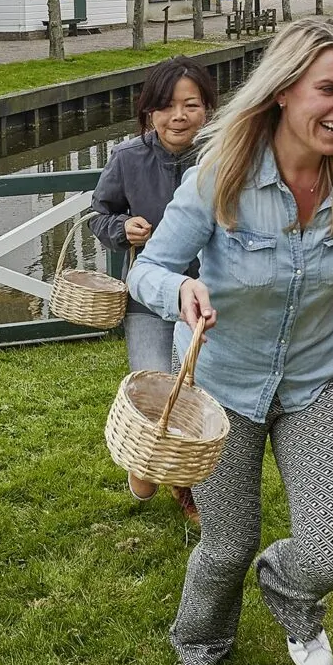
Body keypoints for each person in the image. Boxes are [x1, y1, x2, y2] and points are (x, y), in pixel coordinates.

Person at [128, 18, 333, 665]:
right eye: (329, 88)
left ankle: (289, 590)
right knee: (227, 544)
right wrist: (179, 288)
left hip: (317, 379)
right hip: (221, 385)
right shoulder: (220, 175)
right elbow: (144, 270)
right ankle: (199, 641)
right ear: (285, 91)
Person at [88, 54, 218, 520]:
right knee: (153, 387)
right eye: (165, 106)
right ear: (149, 111)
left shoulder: (223, 154)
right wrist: (123, 229)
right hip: (148, 297)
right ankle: (150, 457)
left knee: (196, 389)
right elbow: (97, 217)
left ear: (208, 108)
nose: (178, 116)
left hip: (207, 296)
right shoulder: (128, 157)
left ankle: (190, 488)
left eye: (191, 105)